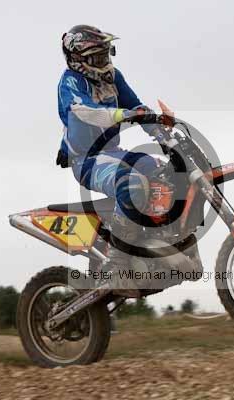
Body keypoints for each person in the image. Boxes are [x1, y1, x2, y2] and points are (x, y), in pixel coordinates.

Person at [57, 25, 162, 295]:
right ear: (78, 59)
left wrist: (161, 132)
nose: (104, 61)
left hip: (113, 153)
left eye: (106, 54)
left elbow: (137, 107)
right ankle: (117, 263)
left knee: (159, 171)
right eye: (97, 57)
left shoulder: (113, 77)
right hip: (87, 161)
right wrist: (122, 115)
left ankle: (151, 244)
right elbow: (84, 112)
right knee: (132, 182)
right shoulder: (70, 82)